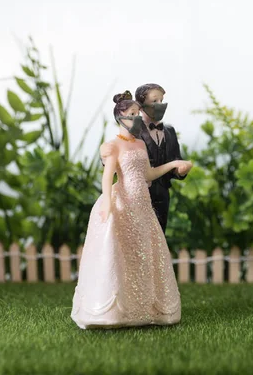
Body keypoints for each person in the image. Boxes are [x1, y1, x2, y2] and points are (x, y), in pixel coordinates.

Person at [71, 91, 191, 329]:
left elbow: (149, 174)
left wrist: (173, 164)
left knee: (144, 252)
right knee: (122, 253)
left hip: (142, 204)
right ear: (120, 117)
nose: (137, 118)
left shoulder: (139, 144)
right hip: (124, 201)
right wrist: (107, 202)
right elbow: (108, 177)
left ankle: (145, 307)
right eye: (132, 114)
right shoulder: (111, 146)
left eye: (138, 114)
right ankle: (117, 310)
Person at [135, 83, 192, 233]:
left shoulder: (169, 131)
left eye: (161, 100)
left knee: (160, 237)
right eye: (154, 101)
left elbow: (175, 159)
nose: (160, 105)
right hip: (139, 194)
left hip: (162, 194)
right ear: (141, 105)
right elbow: (120, 152)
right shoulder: (133, 130)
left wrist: (181, 171)